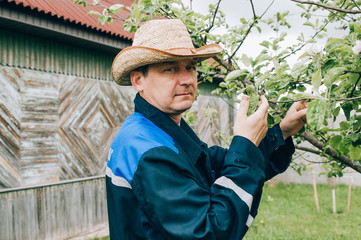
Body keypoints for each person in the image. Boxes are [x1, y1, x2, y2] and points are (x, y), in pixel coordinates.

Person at [106, 19, 308, 240]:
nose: (186, 80)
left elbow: (213, 167)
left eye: (190, 67)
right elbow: (210, 231)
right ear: (138, 80)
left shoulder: (156, 130)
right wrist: (245, 144)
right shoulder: (149, 152)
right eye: (170, 69)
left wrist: (282, 132)